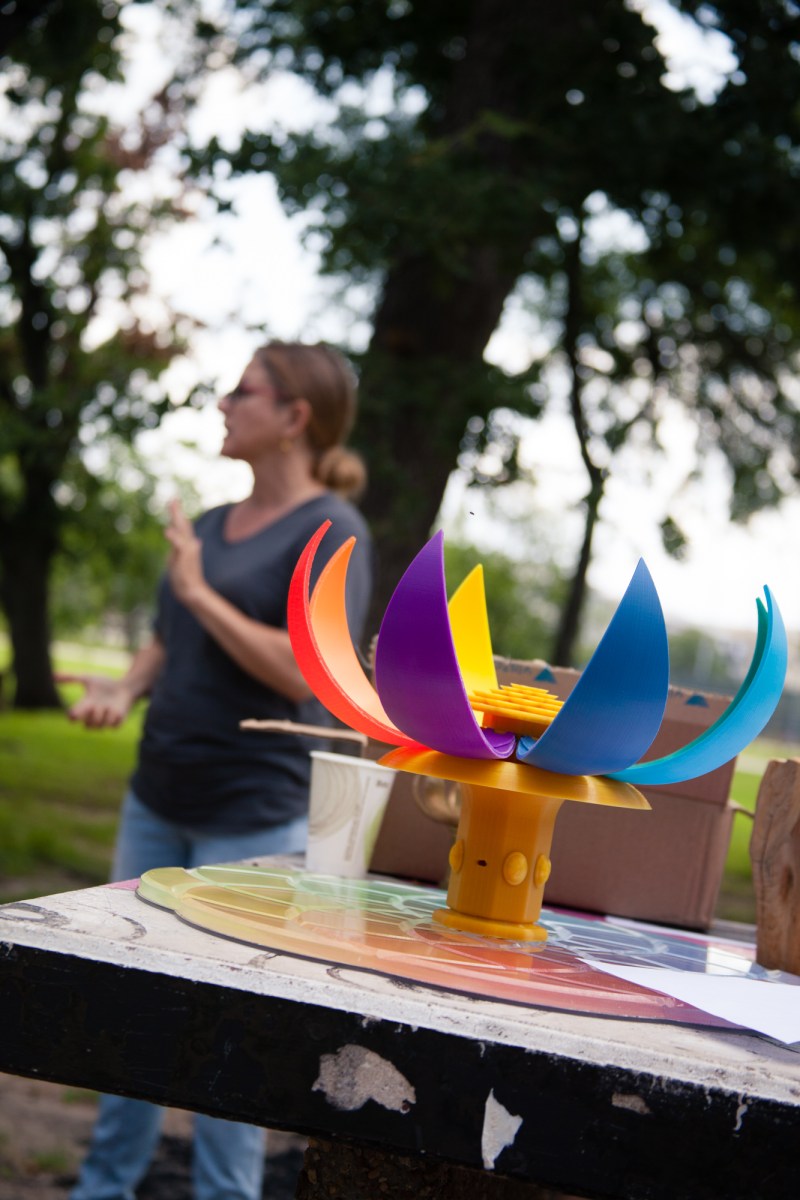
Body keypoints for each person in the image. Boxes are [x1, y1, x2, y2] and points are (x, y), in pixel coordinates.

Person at [59, 340, 373, 1200]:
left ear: (293, 418)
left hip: (254, 814)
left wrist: (203, 593)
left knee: (229, 1027)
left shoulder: (331, 530)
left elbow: (313, 674)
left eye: (243, 392)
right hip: (156, 797)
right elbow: (167, 641)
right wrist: (122, 690)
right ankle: (102, 1186)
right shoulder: (201, 528)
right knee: (128, 1001)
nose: (224, 405)